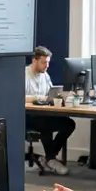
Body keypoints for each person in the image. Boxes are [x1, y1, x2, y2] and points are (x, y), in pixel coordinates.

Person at [24, 46, 74, 176]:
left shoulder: (44, 75)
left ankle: (49, 157)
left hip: (43, 113)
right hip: (28, 116)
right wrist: (39, 98)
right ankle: (51, 159)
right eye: (44, 62)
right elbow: (19, 98)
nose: (47, 66)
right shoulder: (24, 75)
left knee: (69, 124)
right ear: (34, 60)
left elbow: (51, 93)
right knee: (46, 126)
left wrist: (62, 96)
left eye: (48, 63)